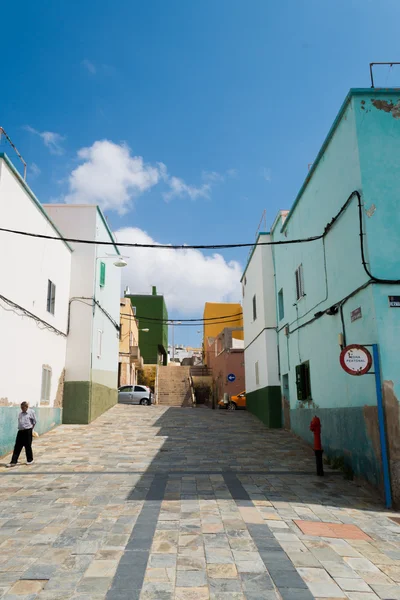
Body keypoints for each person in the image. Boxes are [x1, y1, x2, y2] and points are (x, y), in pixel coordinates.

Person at [7, 402, 36, 467]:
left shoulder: (31, 412)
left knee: (28, 446)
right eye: (21, 408)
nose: (22, 409)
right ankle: (13, 461)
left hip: (28, 431)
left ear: (26, 407)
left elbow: (34, 421)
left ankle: (30, 460)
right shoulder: (20, 414)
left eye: (23, 408)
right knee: (17, 446)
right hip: (20, 431)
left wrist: (31, 429)